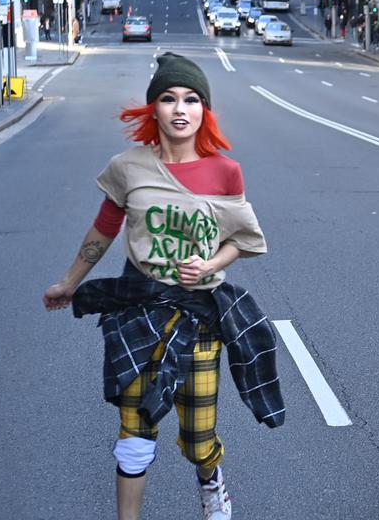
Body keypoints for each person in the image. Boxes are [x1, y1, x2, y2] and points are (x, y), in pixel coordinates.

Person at [42, 53, 282, 520]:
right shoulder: (129, 167)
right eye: (168, 98)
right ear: (152, 108)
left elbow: (242, 240)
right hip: (139, 311)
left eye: (191, 100)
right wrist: (68, 282)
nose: (179, 109)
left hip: (199, 317)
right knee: (134, 431)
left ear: (203, 111)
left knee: (198, 438)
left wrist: (210, 262)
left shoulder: (224, 172)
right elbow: (103, 229)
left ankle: (211, 481)